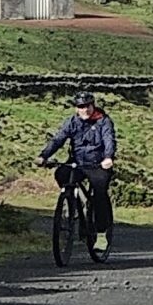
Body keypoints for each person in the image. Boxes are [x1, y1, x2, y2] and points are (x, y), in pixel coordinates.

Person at [41, 89, 118, 259]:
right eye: (81, 106)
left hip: (98, 165)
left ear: (93, 105)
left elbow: (109, 140)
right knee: (61, 174)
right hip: (77, 163)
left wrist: (108, 157)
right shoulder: (72, 122)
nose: (84, 109)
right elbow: (58, 139)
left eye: (87, 106)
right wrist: (44, 155)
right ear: (76, 108)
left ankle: (101, 233)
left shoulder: (103, 121)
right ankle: (72, 201)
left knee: (99, 192)